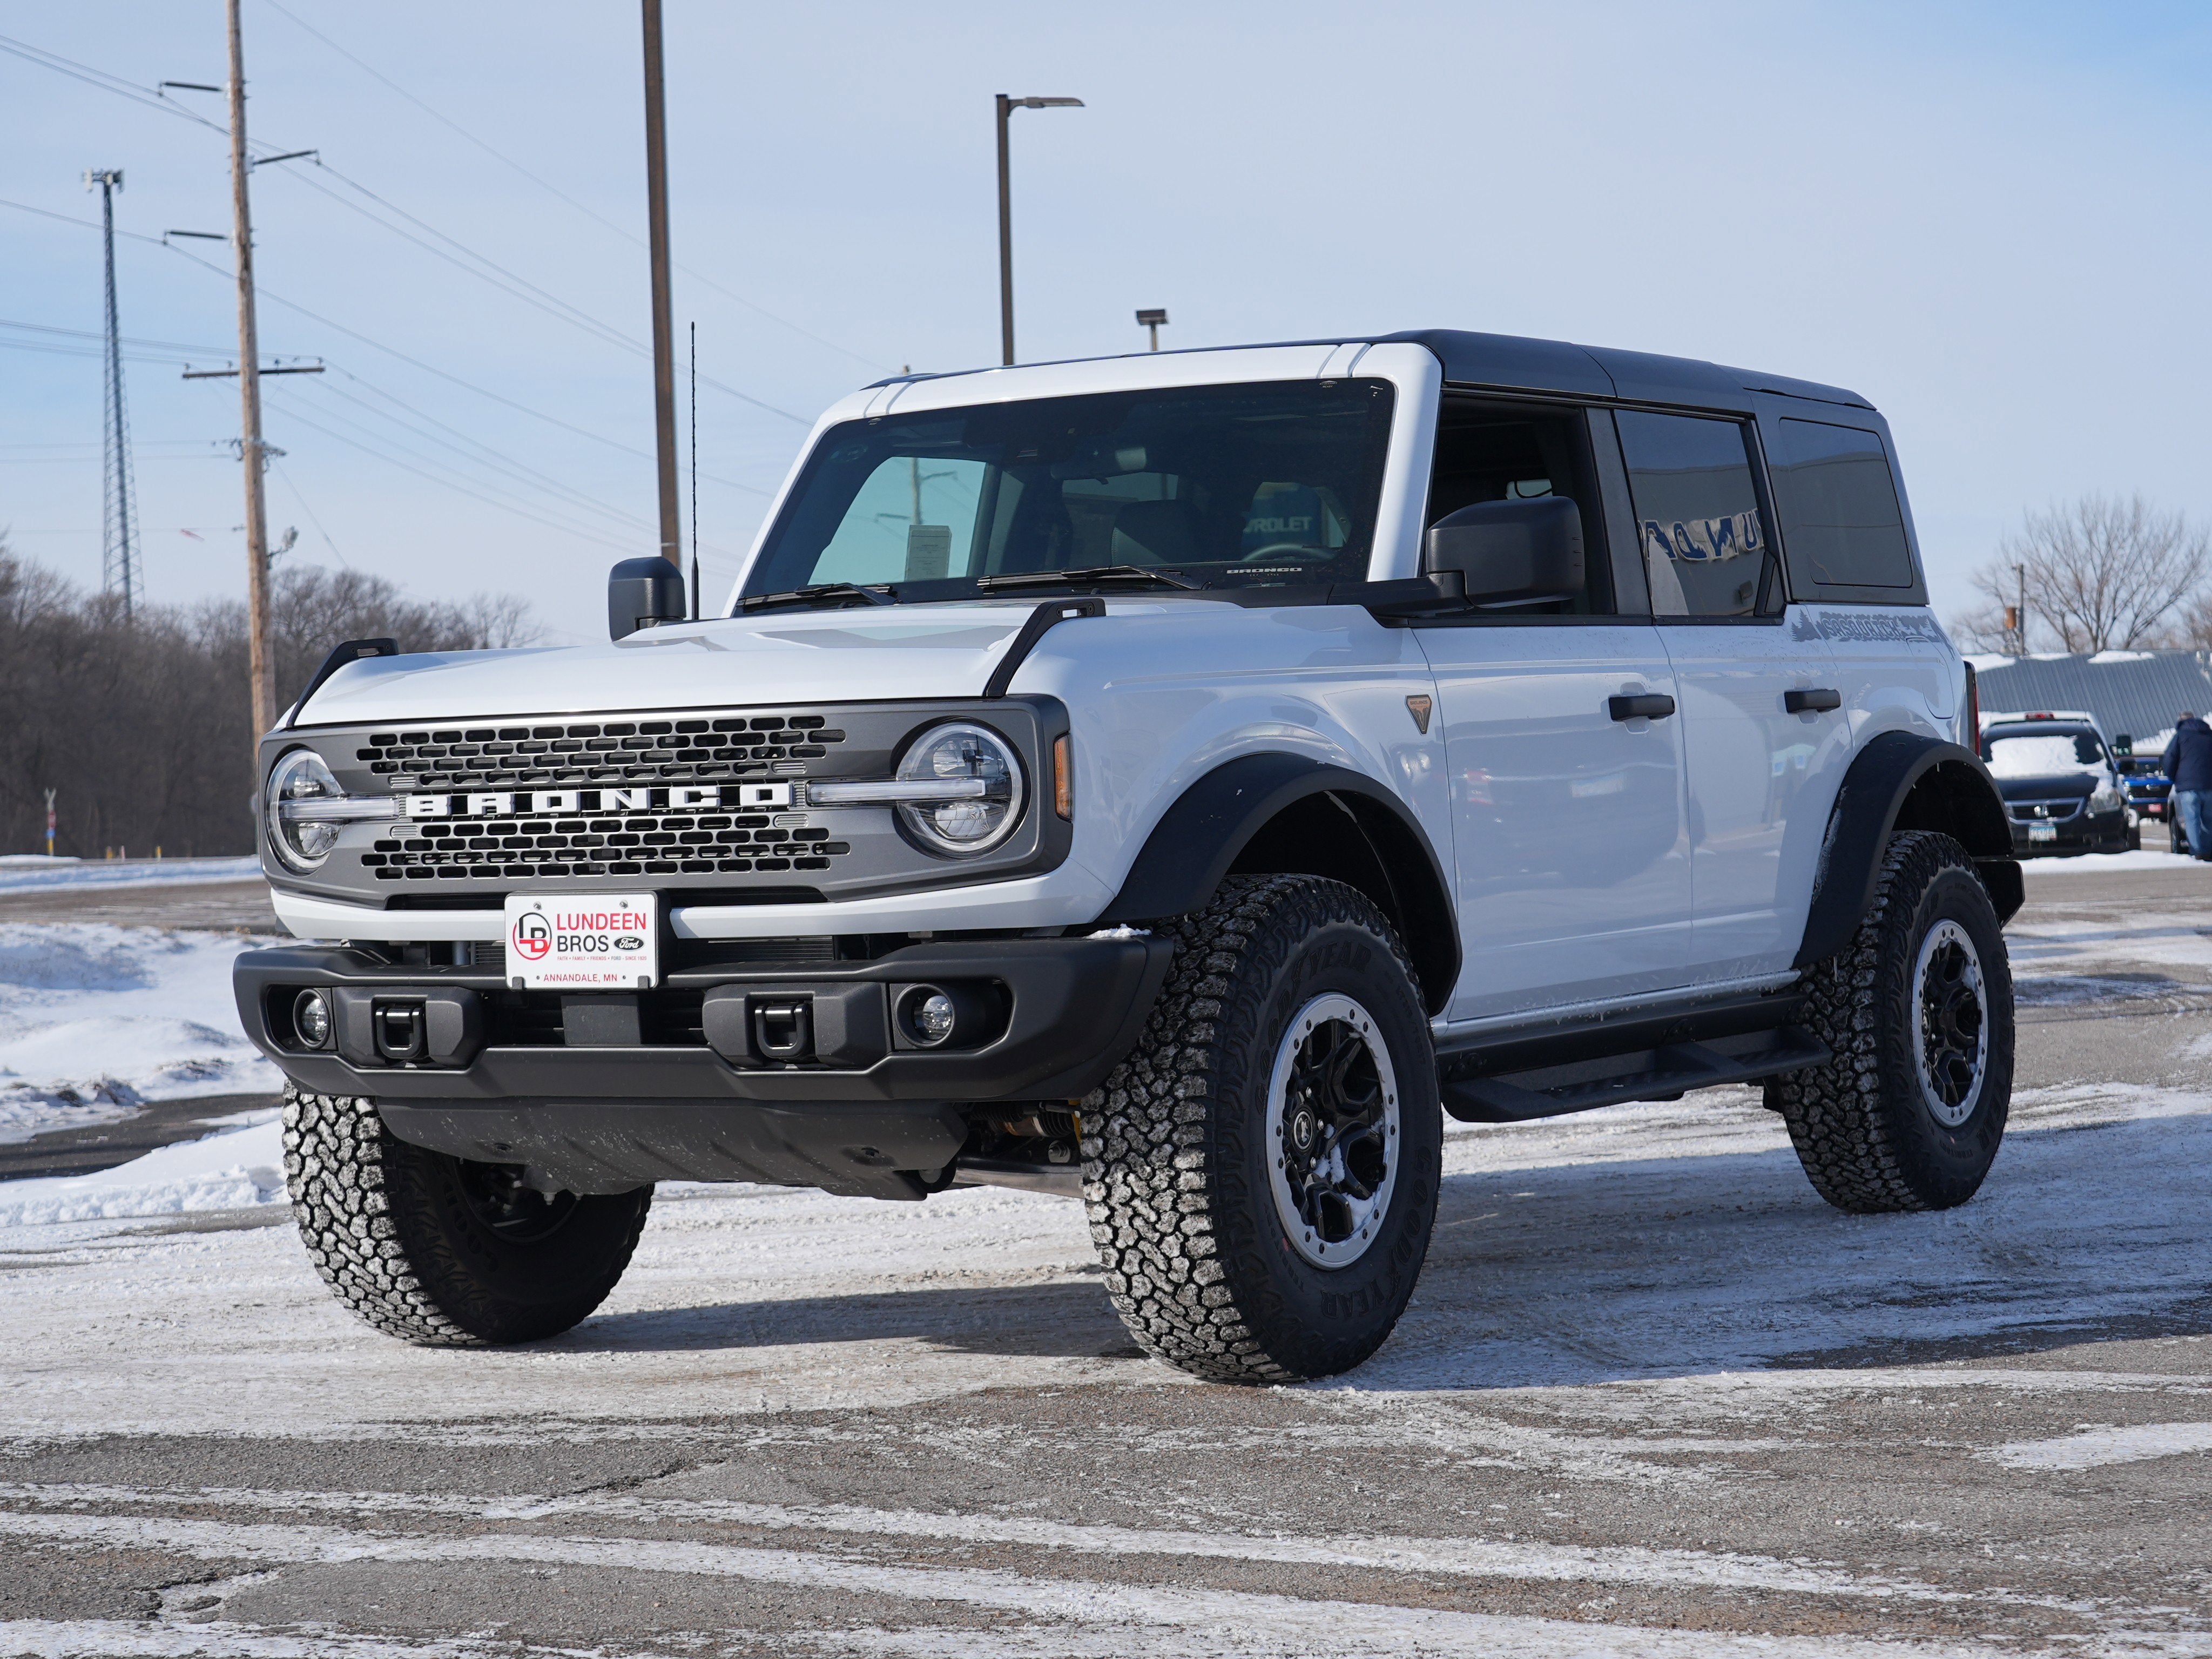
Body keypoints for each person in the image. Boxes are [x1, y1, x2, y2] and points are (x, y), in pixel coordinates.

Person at [2162, 711, 2212, 860]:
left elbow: (2169, 758)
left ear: (2180, 722)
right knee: (2209, 821)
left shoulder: (2180, 736)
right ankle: (2208, 851)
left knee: (2192, 820)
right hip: (2210, 786)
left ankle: (2197, 852)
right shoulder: (2209, 735)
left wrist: (2173, 777)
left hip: (2188, 788)